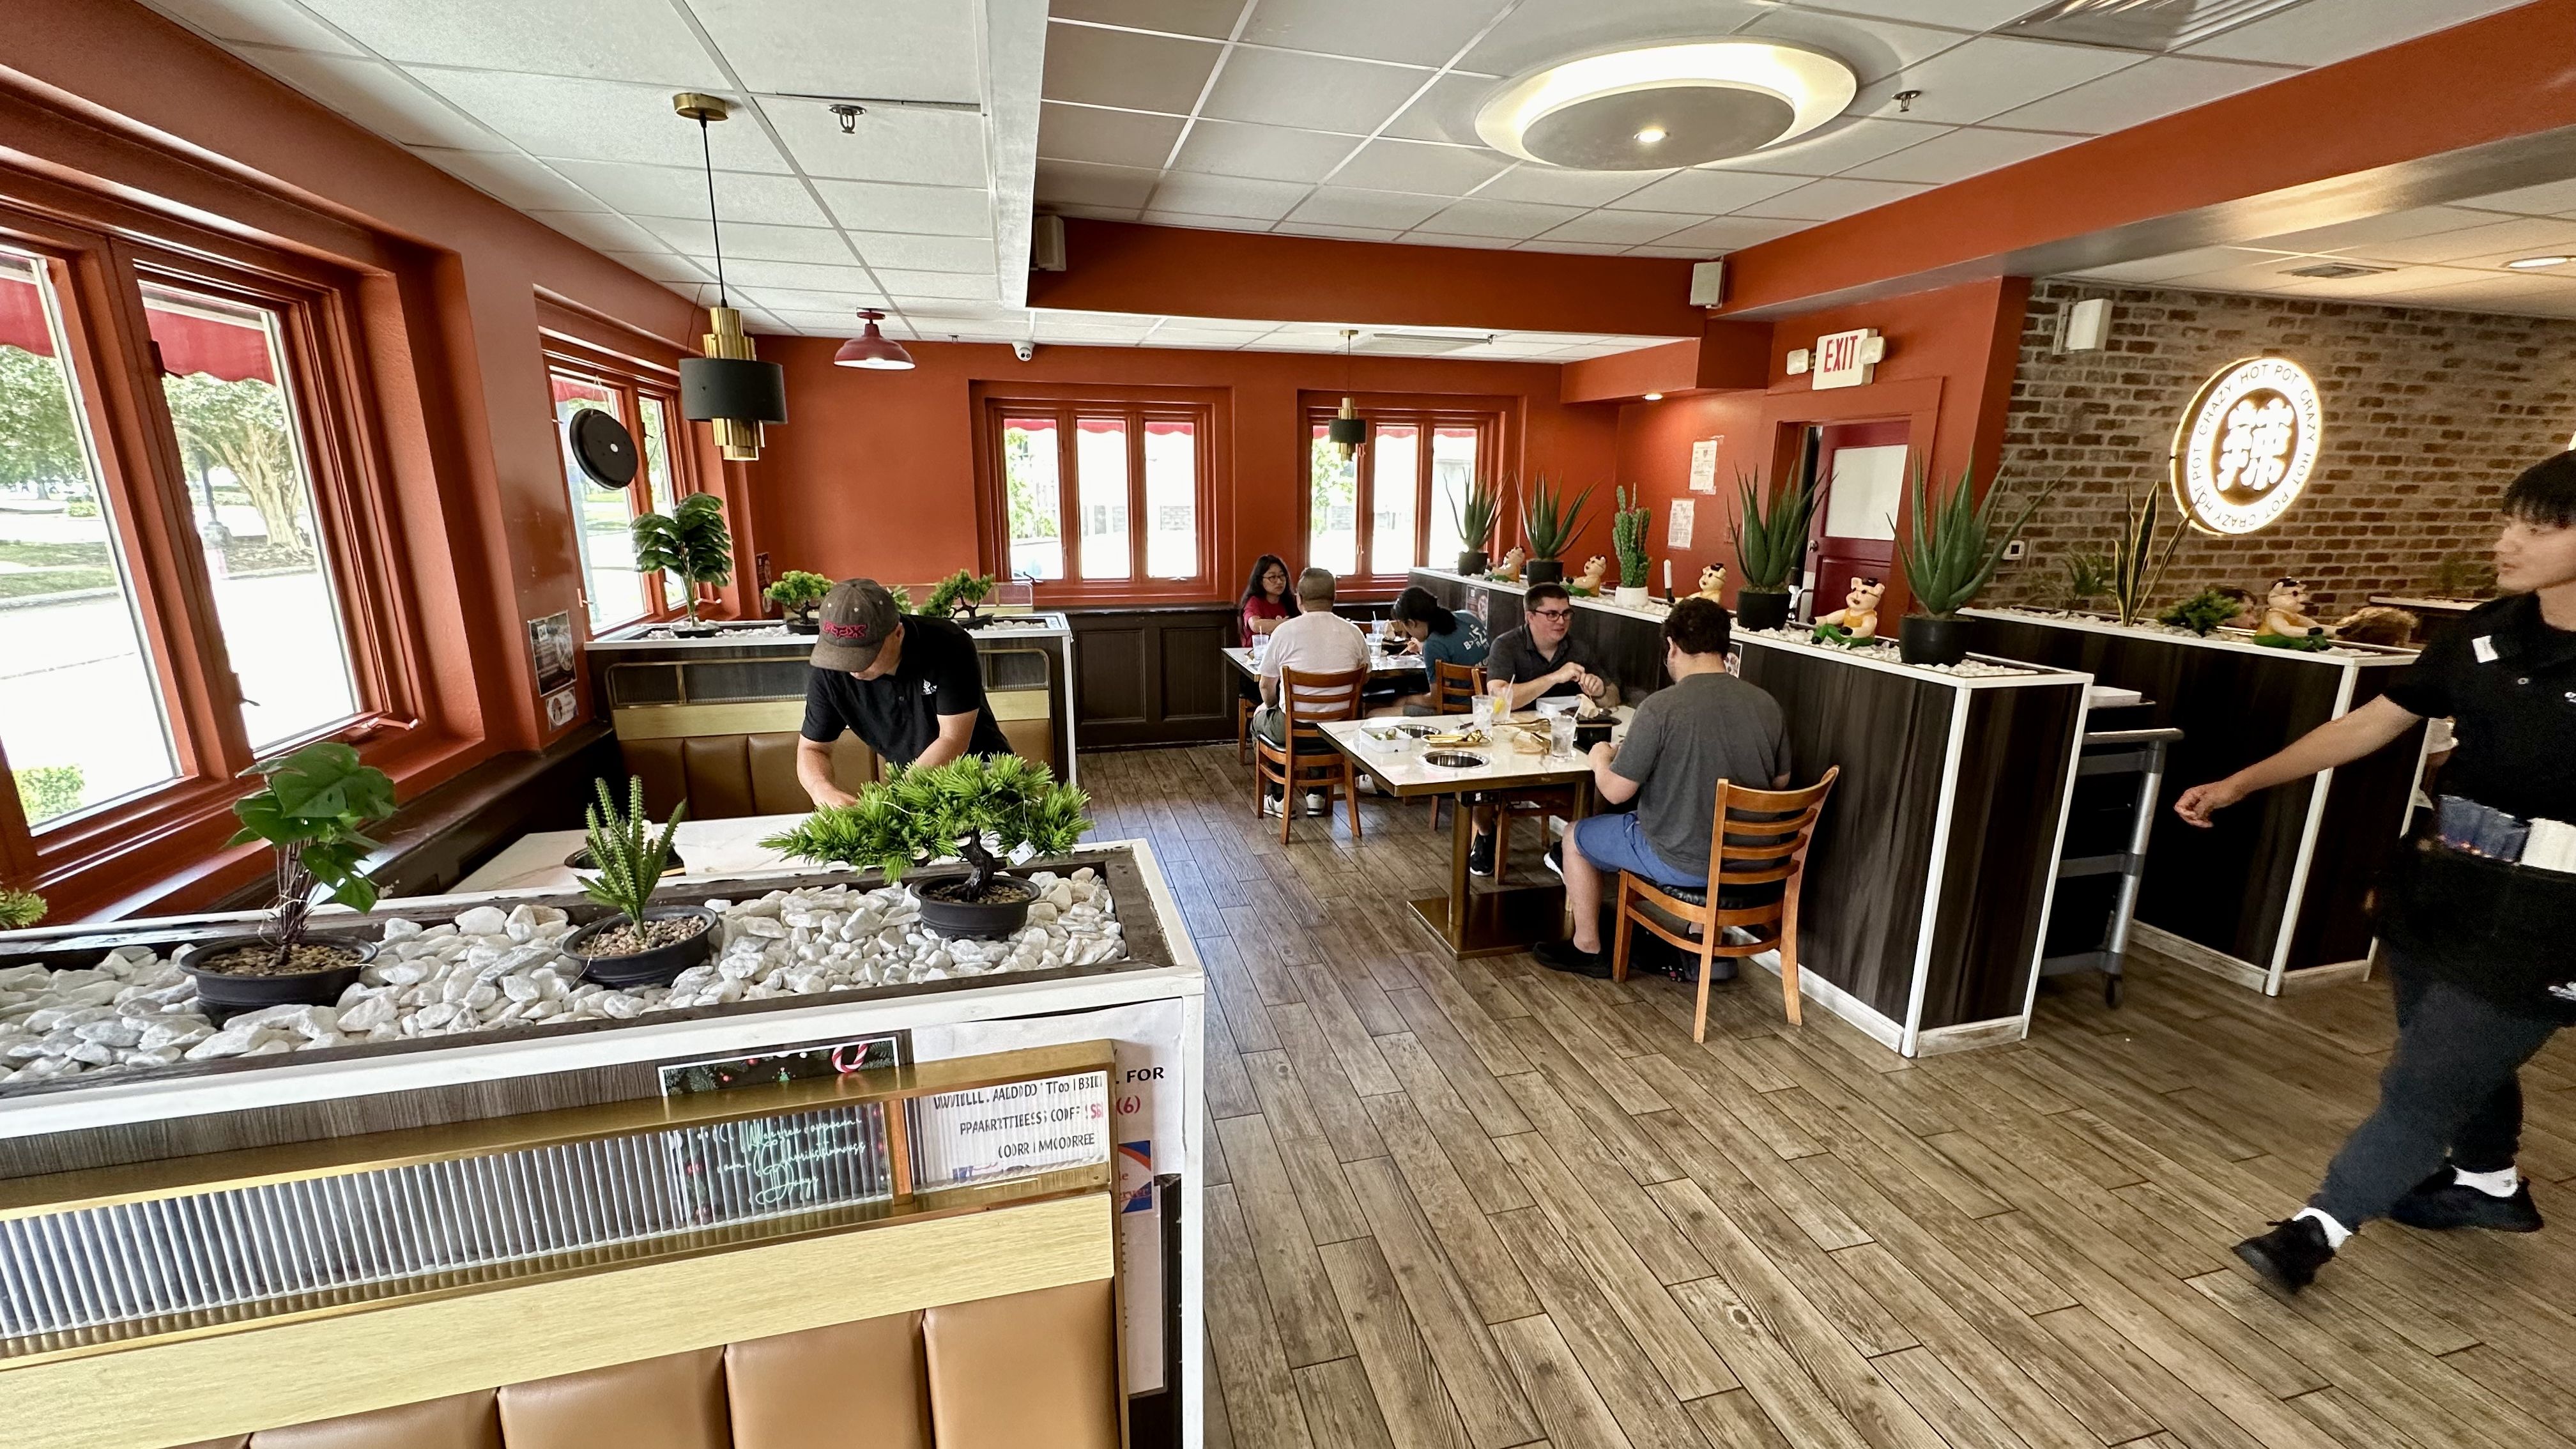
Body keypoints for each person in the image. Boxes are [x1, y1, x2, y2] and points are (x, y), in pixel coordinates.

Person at [2193, 452, 2576, 1294]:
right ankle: (2487, 1185)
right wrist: (2243, 782)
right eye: (2511, 519)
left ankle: (2315, 1231)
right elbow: (2374, 724)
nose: (2507, 540)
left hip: (2552, 913)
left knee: (2424, 1080)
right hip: (2442, 885)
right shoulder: (2485, 631)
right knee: (2448, 1045)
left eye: (2538, 528)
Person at [1531, 599, 1790, 979]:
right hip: (1756, 861)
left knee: (1575, 836)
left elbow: (1616, 792)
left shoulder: (1661, 708)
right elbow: (1779, 783)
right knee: (1703, 824)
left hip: (1685, 862)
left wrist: (1601, 757)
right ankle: (1706, 952)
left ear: (1672, 646)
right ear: (1724, 646)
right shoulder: (1767, 704)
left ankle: (1587, 947)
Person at [797, 578, 1012, 806]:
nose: (852, 668)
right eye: (842, 656)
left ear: (898, 634)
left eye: (863, 656)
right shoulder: (830, 670)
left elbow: (952, 739)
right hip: (912, 786)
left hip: (983, 774)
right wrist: (822, 791)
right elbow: (812, 748)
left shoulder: (949, 645)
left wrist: (895, 800)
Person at [1467, 581, 1610, 875]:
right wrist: (1554, 677)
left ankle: (1568, 848)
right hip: (1508, 740)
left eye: (1567, 614)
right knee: (1479, 779)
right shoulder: (1506, 645)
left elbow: (1614, 696)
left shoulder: (1579, 648)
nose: (1562, 621)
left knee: (1606, 779)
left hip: (1560, 741)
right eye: (1552, 614)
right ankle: (1484, 834)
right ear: (1530, 616)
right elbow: (1499, 697)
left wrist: (1599, 690)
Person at [1255, 567, 1370, 815]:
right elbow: (1365, 677)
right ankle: (1316, 797)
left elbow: (1266, 686)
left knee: (1259, 717)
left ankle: (1278, 797)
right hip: (1339, 730)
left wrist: (1271, 707)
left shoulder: (1284, 632)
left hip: (1293, 728)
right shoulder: (1354, 633)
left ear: (1299, 599)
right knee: (1320, 721)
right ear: (1334, 597)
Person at [1381, 585, 1489, 713]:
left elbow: (1436, 700)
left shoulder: (1433, 645)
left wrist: (1407, 700)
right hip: (1487, 703)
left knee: (1376, 714)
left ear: (1411, 623)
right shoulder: (1468, 617)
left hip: (1456, 712)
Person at [1238, 554, 1298, 647]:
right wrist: (1283, 623)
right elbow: (1256, 625)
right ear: (1260, 581)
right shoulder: (1254, 602)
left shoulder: (1291, 601)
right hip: (1256, 656)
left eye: (1282, 576)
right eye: (1273, 577)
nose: (1279, 582)